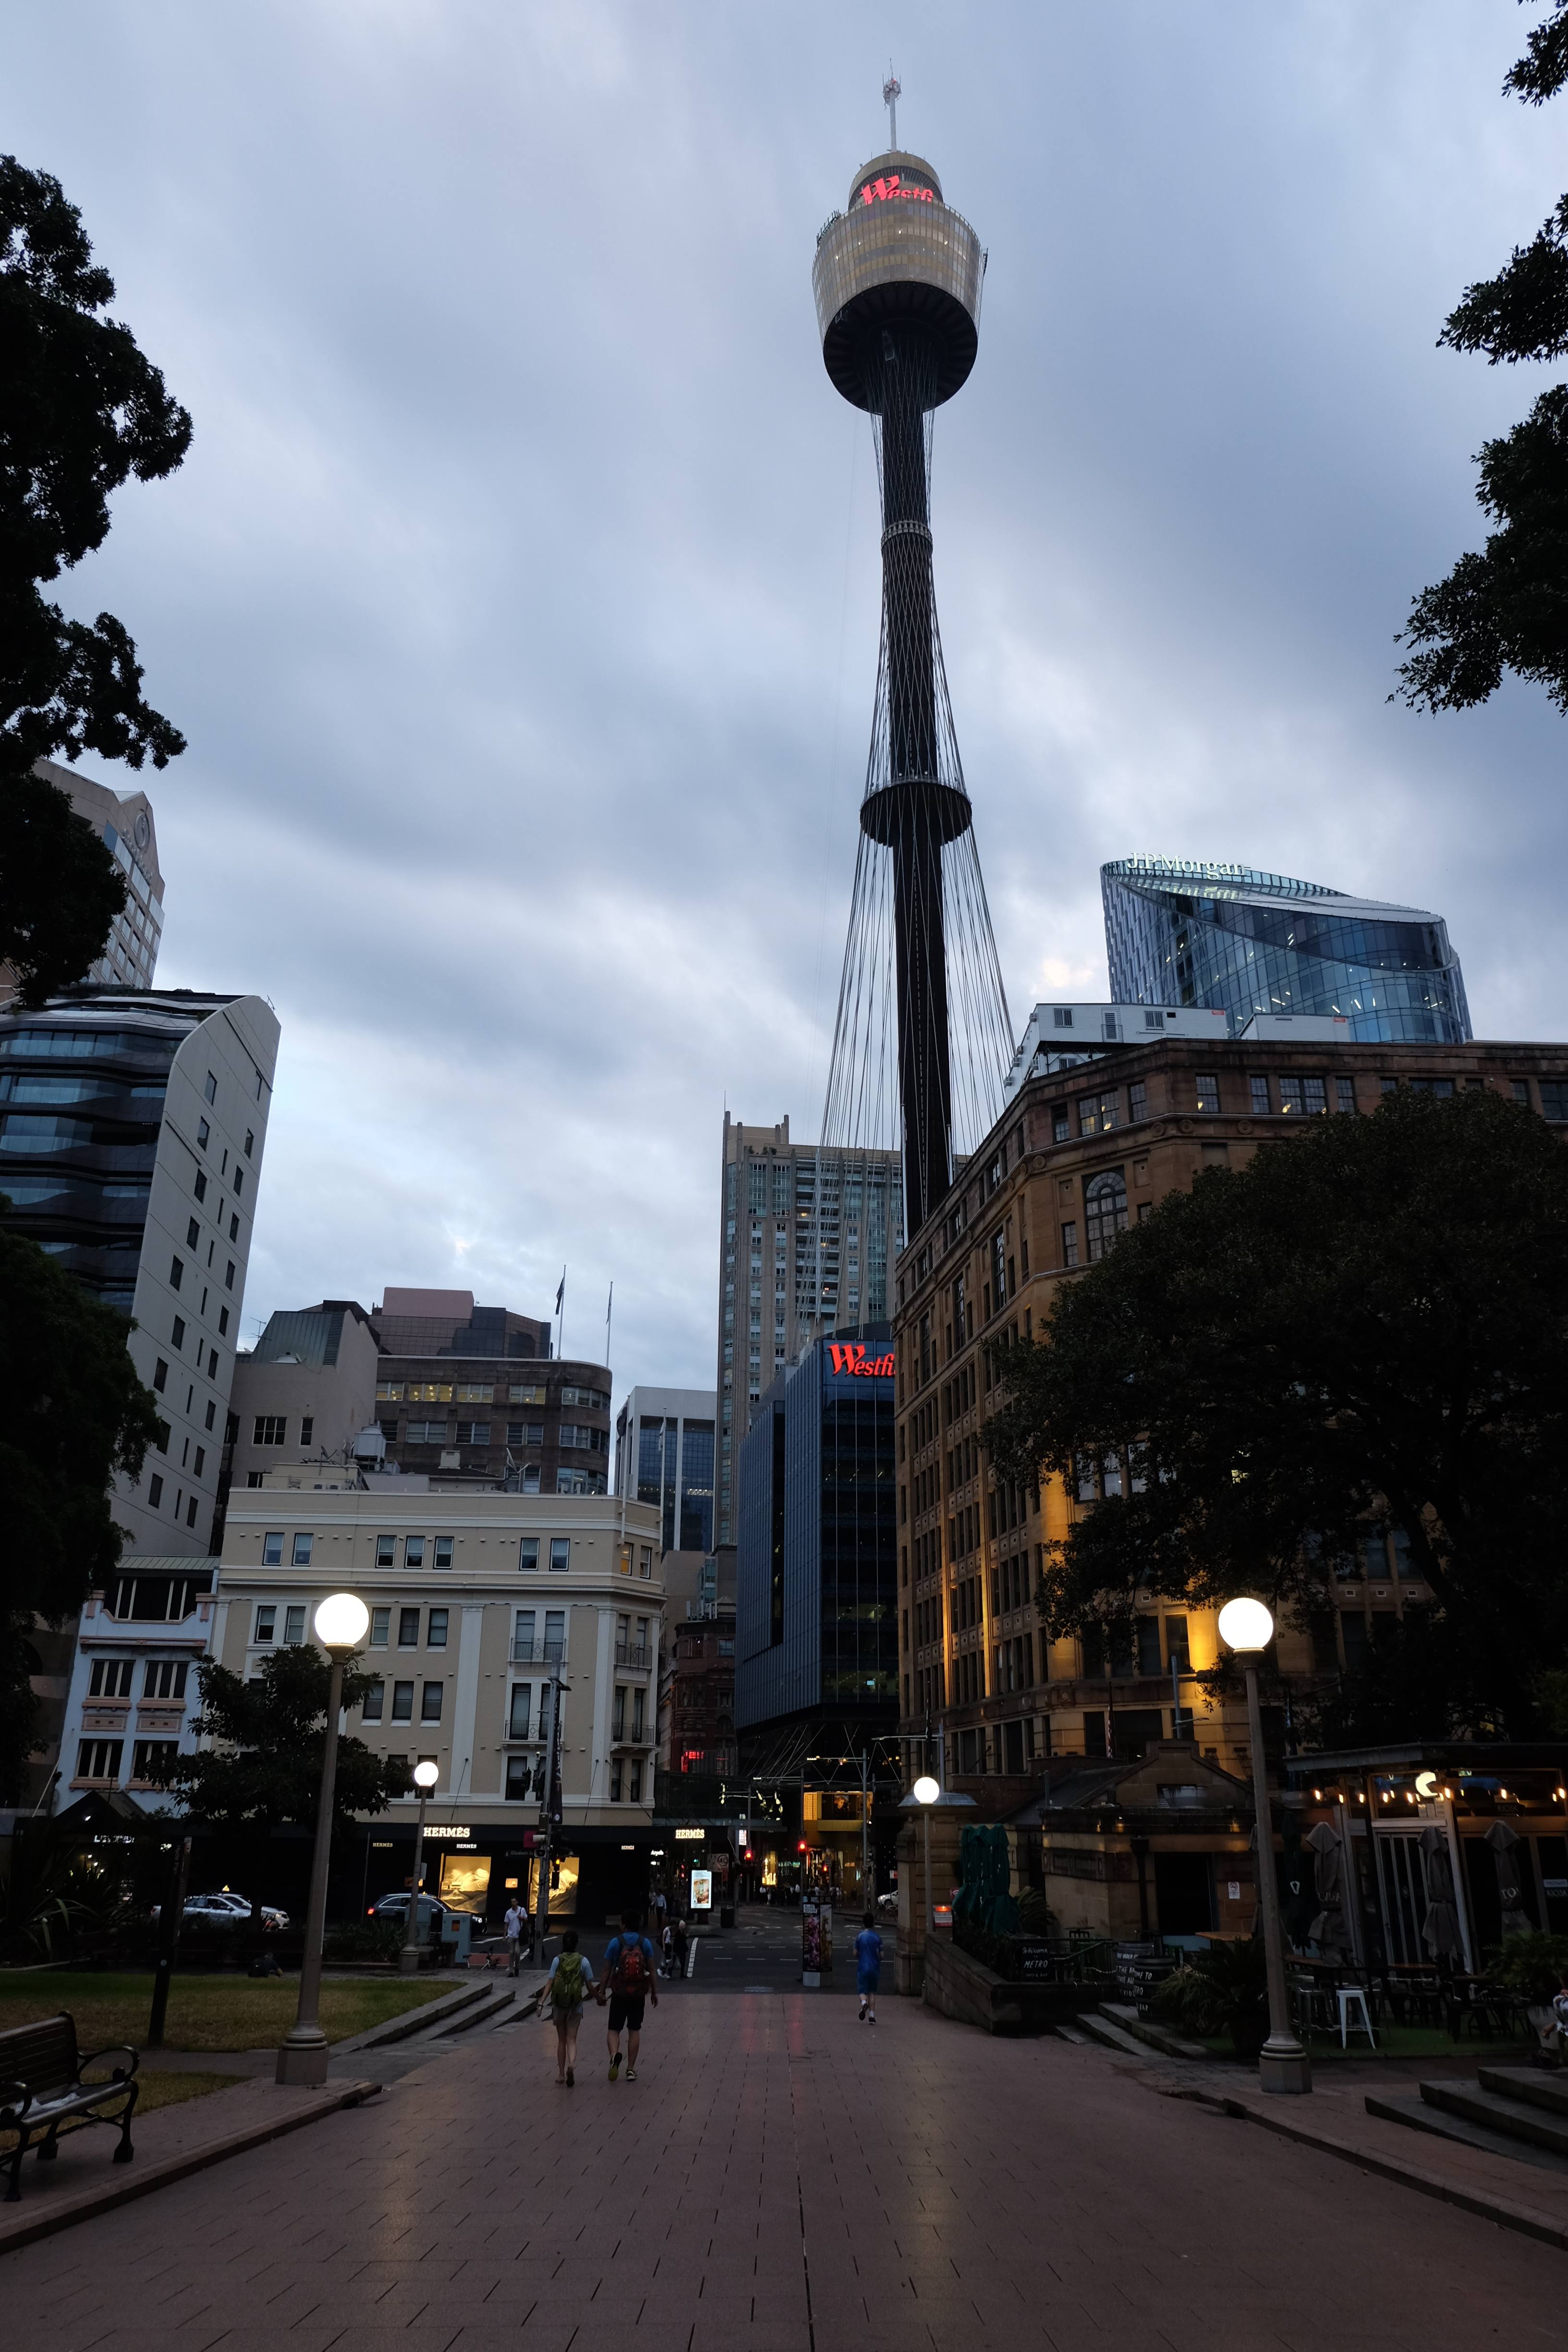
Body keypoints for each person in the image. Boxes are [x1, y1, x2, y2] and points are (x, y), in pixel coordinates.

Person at [599, 1907, 658, 2080]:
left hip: (619, 1993)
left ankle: (614, 2056)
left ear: (624, 1925)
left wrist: (602, 1992)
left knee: (614, 2029)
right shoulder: (645, 1943)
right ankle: (631, 2069)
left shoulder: (615, 1943)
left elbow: (607, 1969)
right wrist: (654, 1992)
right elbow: (652, 1970)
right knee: (634, 2029)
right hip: (638, 1994)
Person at [546, 1928, 593, 2085]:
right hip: (575, 2006)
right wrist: (599, 1997)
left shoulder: (557, 1960)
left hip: (559, 2005)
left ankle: (561, 2075)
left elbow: (550, 1982)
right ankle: (572, 2064)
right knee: (572, 2040)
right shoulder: (583, 1961)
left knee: (561, 2040)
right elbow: (590, 1985)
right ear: (576, 1943)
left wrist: (541, 2002)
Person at [855, 1910, 882, 2024]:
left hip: (863, 1967)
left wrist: (860, 1956)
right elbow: (882, 1955)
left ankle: (864, 2003)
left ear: (864, 1923)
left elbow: (855, 1953)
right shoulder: (877, 1938)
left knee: (862, 1991)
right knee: (872, 1992)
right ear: (873, 1923)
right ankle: (872, 2016)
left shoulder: (860, 1937)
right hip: (875, 1968)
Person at [504, 1895, 527, 1977]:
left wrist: (522, 1918)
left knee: (517, 1952)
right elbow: (506, 1924)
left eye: (514, 1902)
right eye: (512, 1902)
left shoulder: (522, 1910)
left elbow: (526, 1919)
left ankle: (517, 1966)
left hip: (518, 1936)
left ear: (517, 1902)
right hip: (511, 1935)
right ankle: (511, 1971)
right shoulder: (509, 1912)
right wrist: (505, 1935)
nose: (513, 1903)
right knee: (511, 1953)